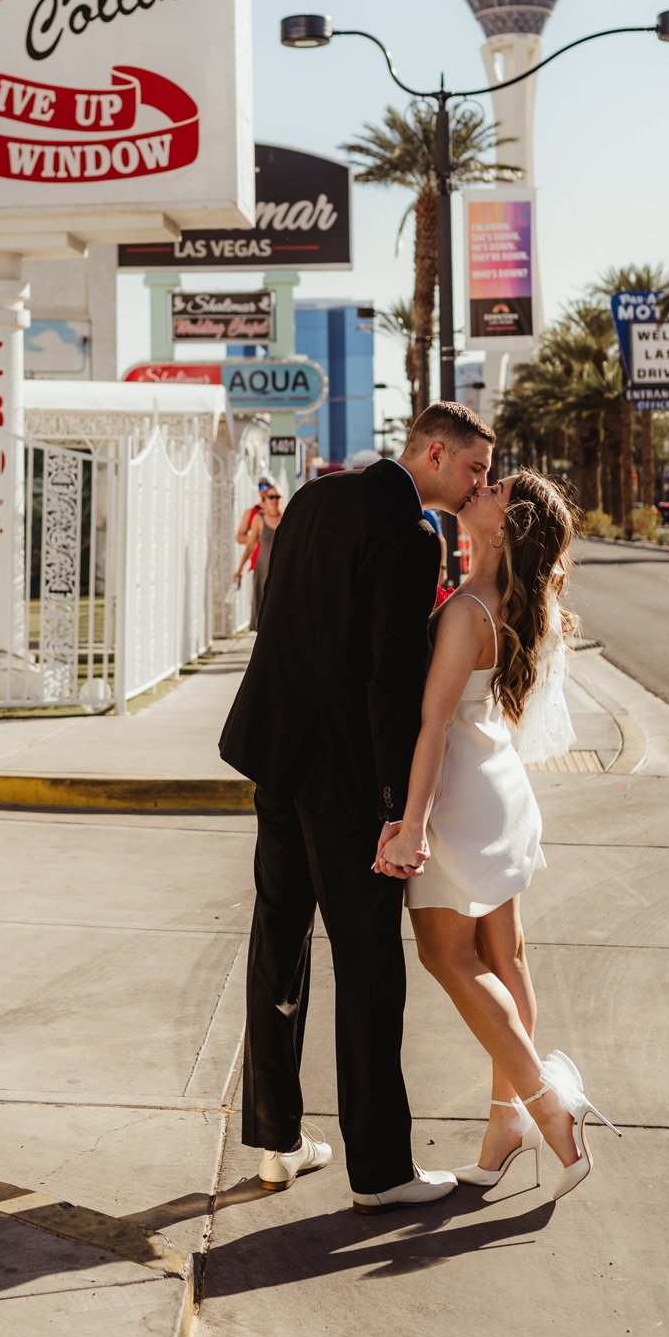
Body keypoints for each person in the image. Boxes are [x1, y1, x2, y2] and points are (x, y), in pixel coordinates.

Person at [219, 401, 495, 1212]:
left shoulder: (315, 497)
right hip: (345, 783)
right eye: (474, 468)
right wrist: (393, 805)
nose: (479, 482)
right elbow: (388, 678)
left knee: (278, 943)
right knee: (370, 968)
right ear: (436, 454)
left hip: (276, 759)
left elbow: (280, 618)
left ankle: (276, 1142)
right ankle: (379, 1171)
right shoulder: (412, 535)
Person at [378, 469, 621, 1201]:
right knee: (503, 956)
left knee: (446, 958)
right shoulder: (521, 604)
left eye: (493, 489)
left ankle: (549, 1109)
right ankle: (503, 1124)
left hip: (457, 799)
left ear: (505, 526)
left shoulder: (465, 612)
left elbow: (431, 723)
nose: (478, 487)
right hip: (501, 790)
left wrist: (410, 824)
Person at [234, 485, 284, 626]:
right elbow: (249, 545)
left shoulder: (287, 518)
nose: (274, 500)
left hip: (282, 571)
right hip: (263, 570)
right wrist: (239, 571)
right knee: (265, 611)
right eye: (271, 497)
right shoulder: (258, 519)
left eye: (277, 497)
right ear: (265, 500)